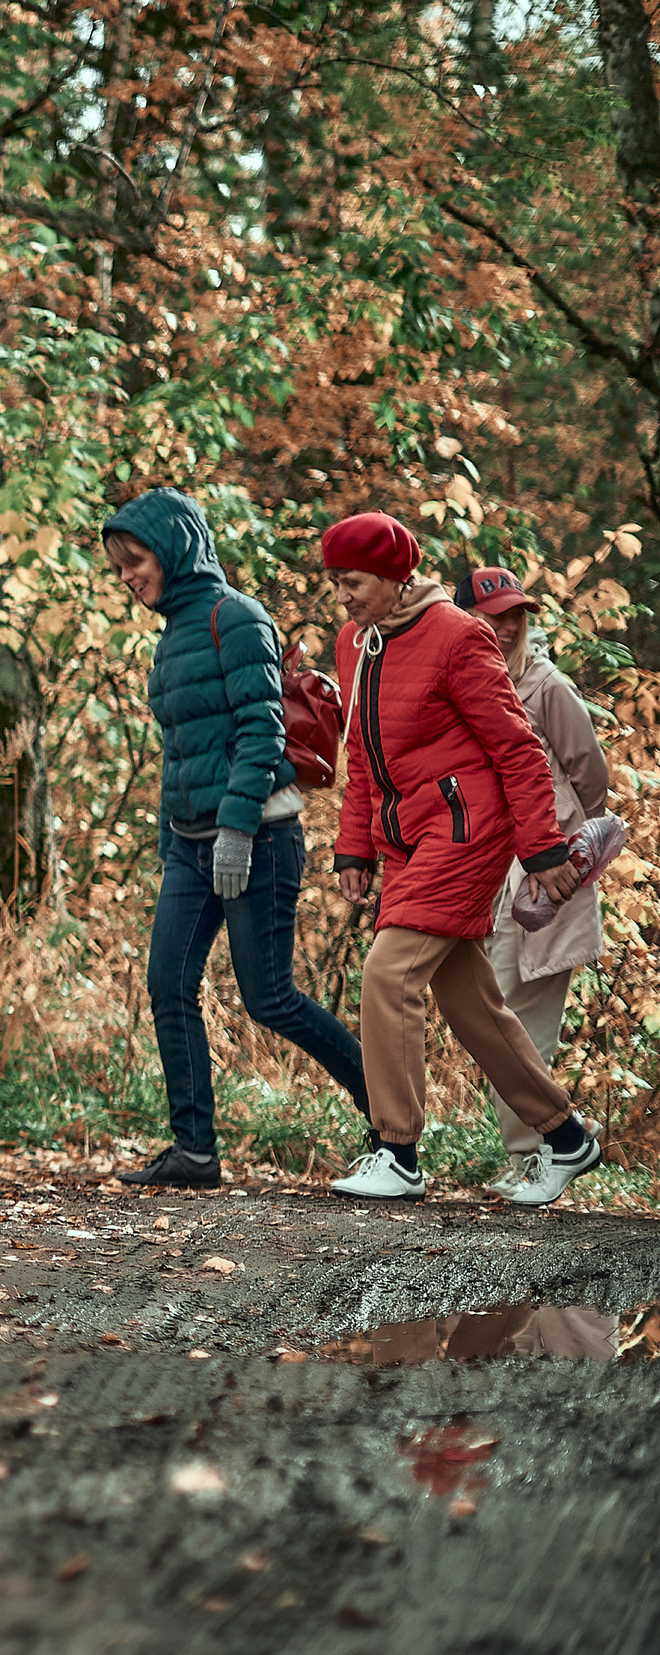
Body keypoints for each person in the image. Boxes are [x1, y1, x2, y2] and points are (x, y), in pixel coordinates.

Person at [323, 512, 596, 1205]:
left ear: (392, 576)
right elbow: (360, 753)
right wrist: (354, 843)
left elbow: (517, 748)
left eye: (352, 582)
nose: (344, 597)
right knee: (469, 1000)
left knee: (388, 972)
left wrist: (540, 849)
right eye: (336, 584)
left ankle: (397, 1151)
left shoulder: (456, 634)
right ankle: (565, 1137)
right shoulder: (357, 644)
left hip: (466, 832)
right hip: (407, 840)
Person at [99, 490, 370, 1189]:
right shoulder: (171, 634)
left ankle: (388, 1116)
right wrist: (173, 841)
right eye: (120, 567)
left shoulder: (237, 618)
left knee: (270, 997)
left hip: (258, 837)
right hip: (190, 842)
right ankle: (194, 1151)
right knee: (167, 984)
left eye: (137, 560)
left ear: (177, 548)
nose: (129, 576)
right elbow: (181, 751)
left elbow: (261, 731)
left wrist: (238, 830)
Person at [452, 565, 614, 1200]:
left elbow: (591, 778)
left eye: (515, 614)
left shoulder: (546, 687)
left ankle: (536, 1155)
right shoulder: (463, 685)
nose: (507, 625)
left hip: (548, 881)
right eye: (492, 616)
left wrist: (565, 845)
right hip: (487, 880)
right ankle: (540, 1147)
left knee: (524, 1022)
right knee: (497, 1015)